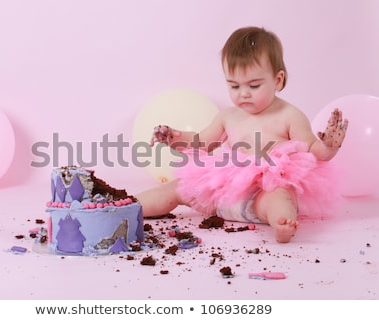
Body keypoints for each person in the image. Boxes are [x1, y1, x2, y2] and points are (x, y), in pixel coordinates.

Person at [136, 26, 348, 243]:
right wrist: (175, 138)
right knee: (177, 188)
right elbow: (201, 143)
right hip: (222, 196)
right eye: (234, 86)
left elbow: (312, 150)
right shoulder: (228, 116)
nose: (244, 94)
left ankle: (282, 222)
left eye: (254, 85)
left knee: (281, 196)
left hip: (261, 196)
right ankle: (130, 207)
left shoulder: (289, 116)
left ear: (277, 80)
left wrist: (327, 147)